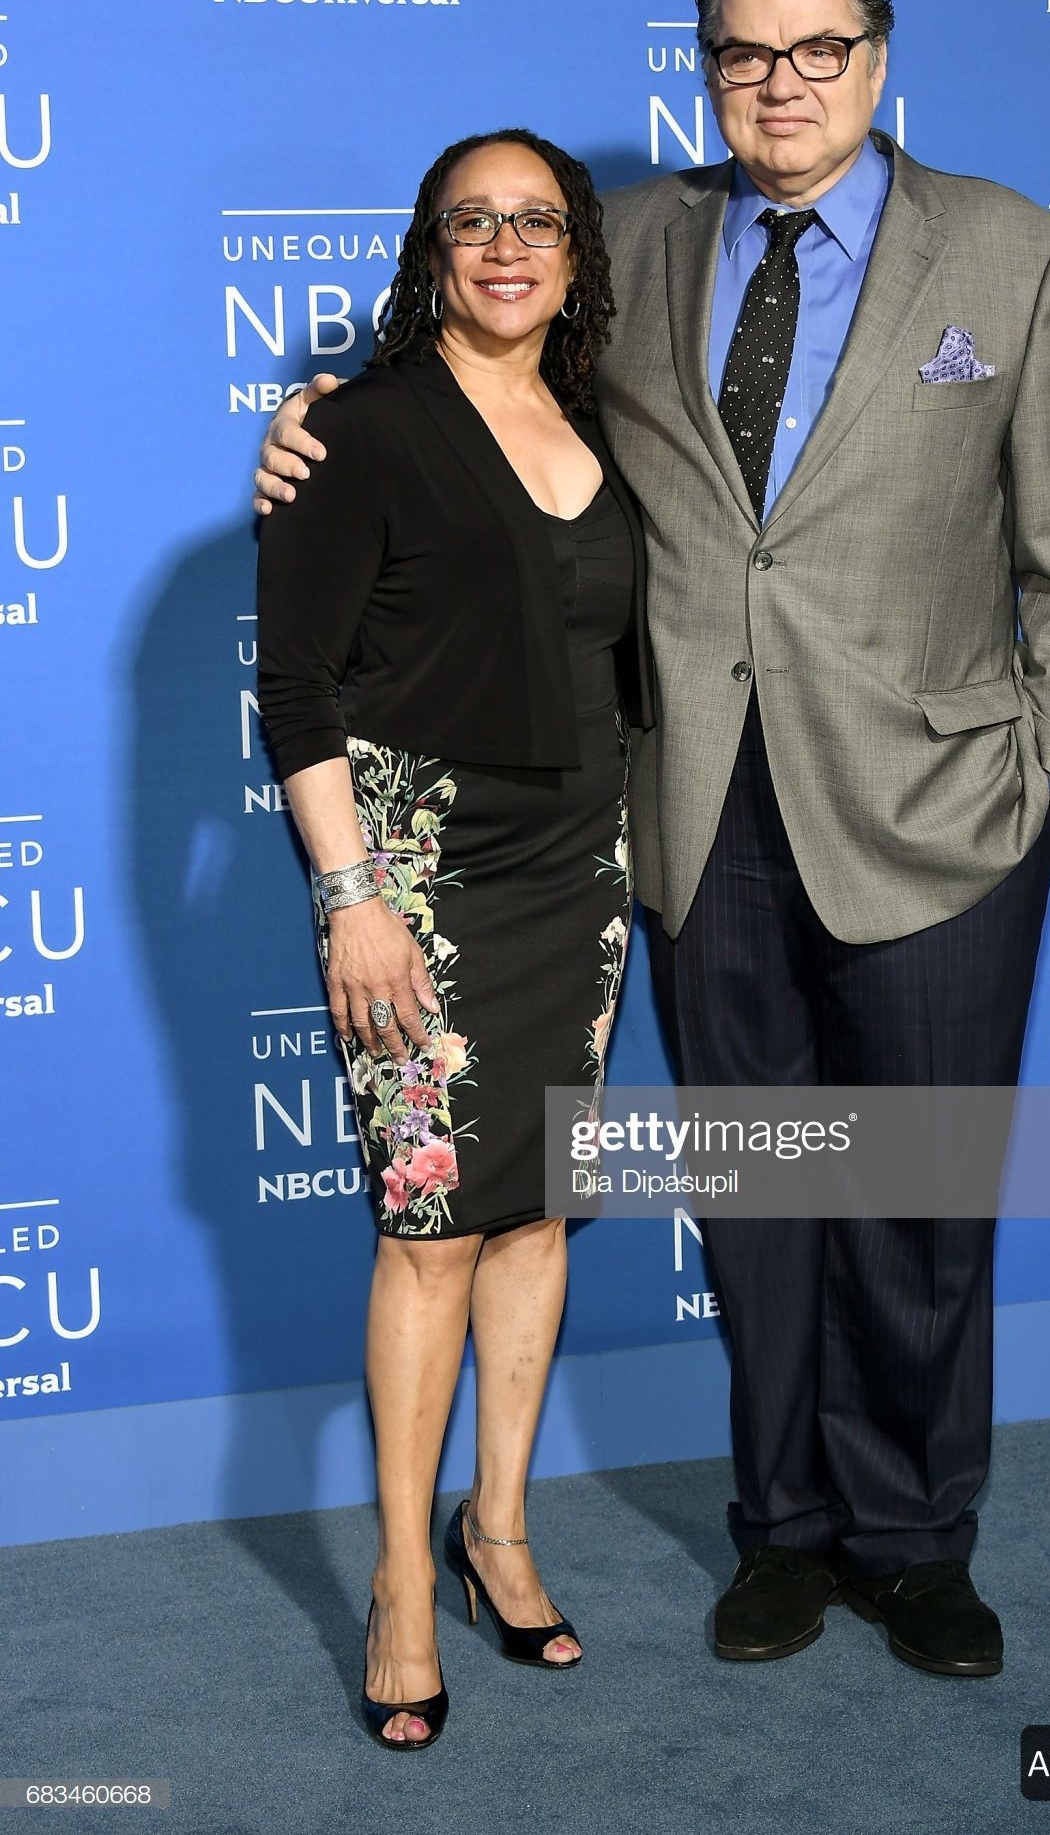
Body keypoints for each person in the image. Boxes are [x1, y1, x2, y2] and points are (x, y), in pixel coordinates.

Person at [255, 0, 1050, 1682]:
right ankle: (784, 1530)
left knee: (918, 1203)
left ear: (876, 59)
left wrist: (1042, 770)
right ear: (704, 68)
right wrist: (313, 422)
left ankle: (915, 1540)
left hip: (941, 814)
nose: (780, 83)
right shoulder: (631, 240)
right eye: (744, 52)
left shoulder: (1014, 249)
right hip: (692, 813)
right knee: (758, 1205)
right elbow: (477, 398)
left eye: (816, 50)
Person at [255, 126, 653, 1747]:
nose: (505, 248)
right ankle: (403, 1586)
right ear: (431, 250)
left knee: (537, 1214)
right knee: (428, 1230)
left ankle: (499, 1532)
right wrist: (350, 896)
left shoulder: (608, 419)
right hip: (416, 871)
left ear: (575, 253)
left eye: (534, 222)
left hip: (581, 863)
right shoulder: (357, 430)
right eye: (471, 223)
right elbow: (297, 686)